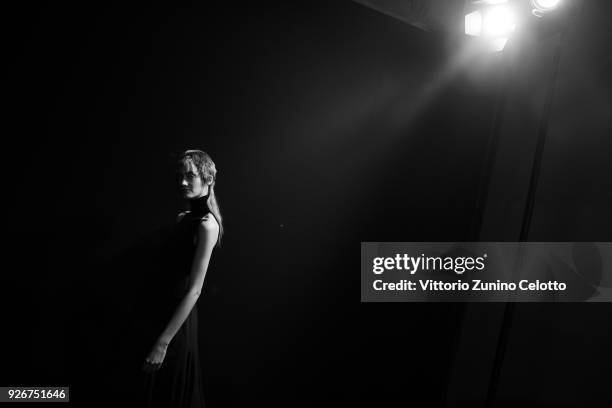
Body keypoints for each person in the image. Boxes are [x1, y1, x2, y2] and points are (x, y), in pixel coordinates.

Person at [139, 149, 223, 407]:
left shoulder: (208, 225)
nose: (183, 182)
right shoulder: (182, 218)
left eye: (190, 175)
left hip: (177, 324)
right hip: (158, 312)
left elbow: (195, 290)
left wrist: (163, 342)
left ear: (208, 179)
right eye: (180, 176)